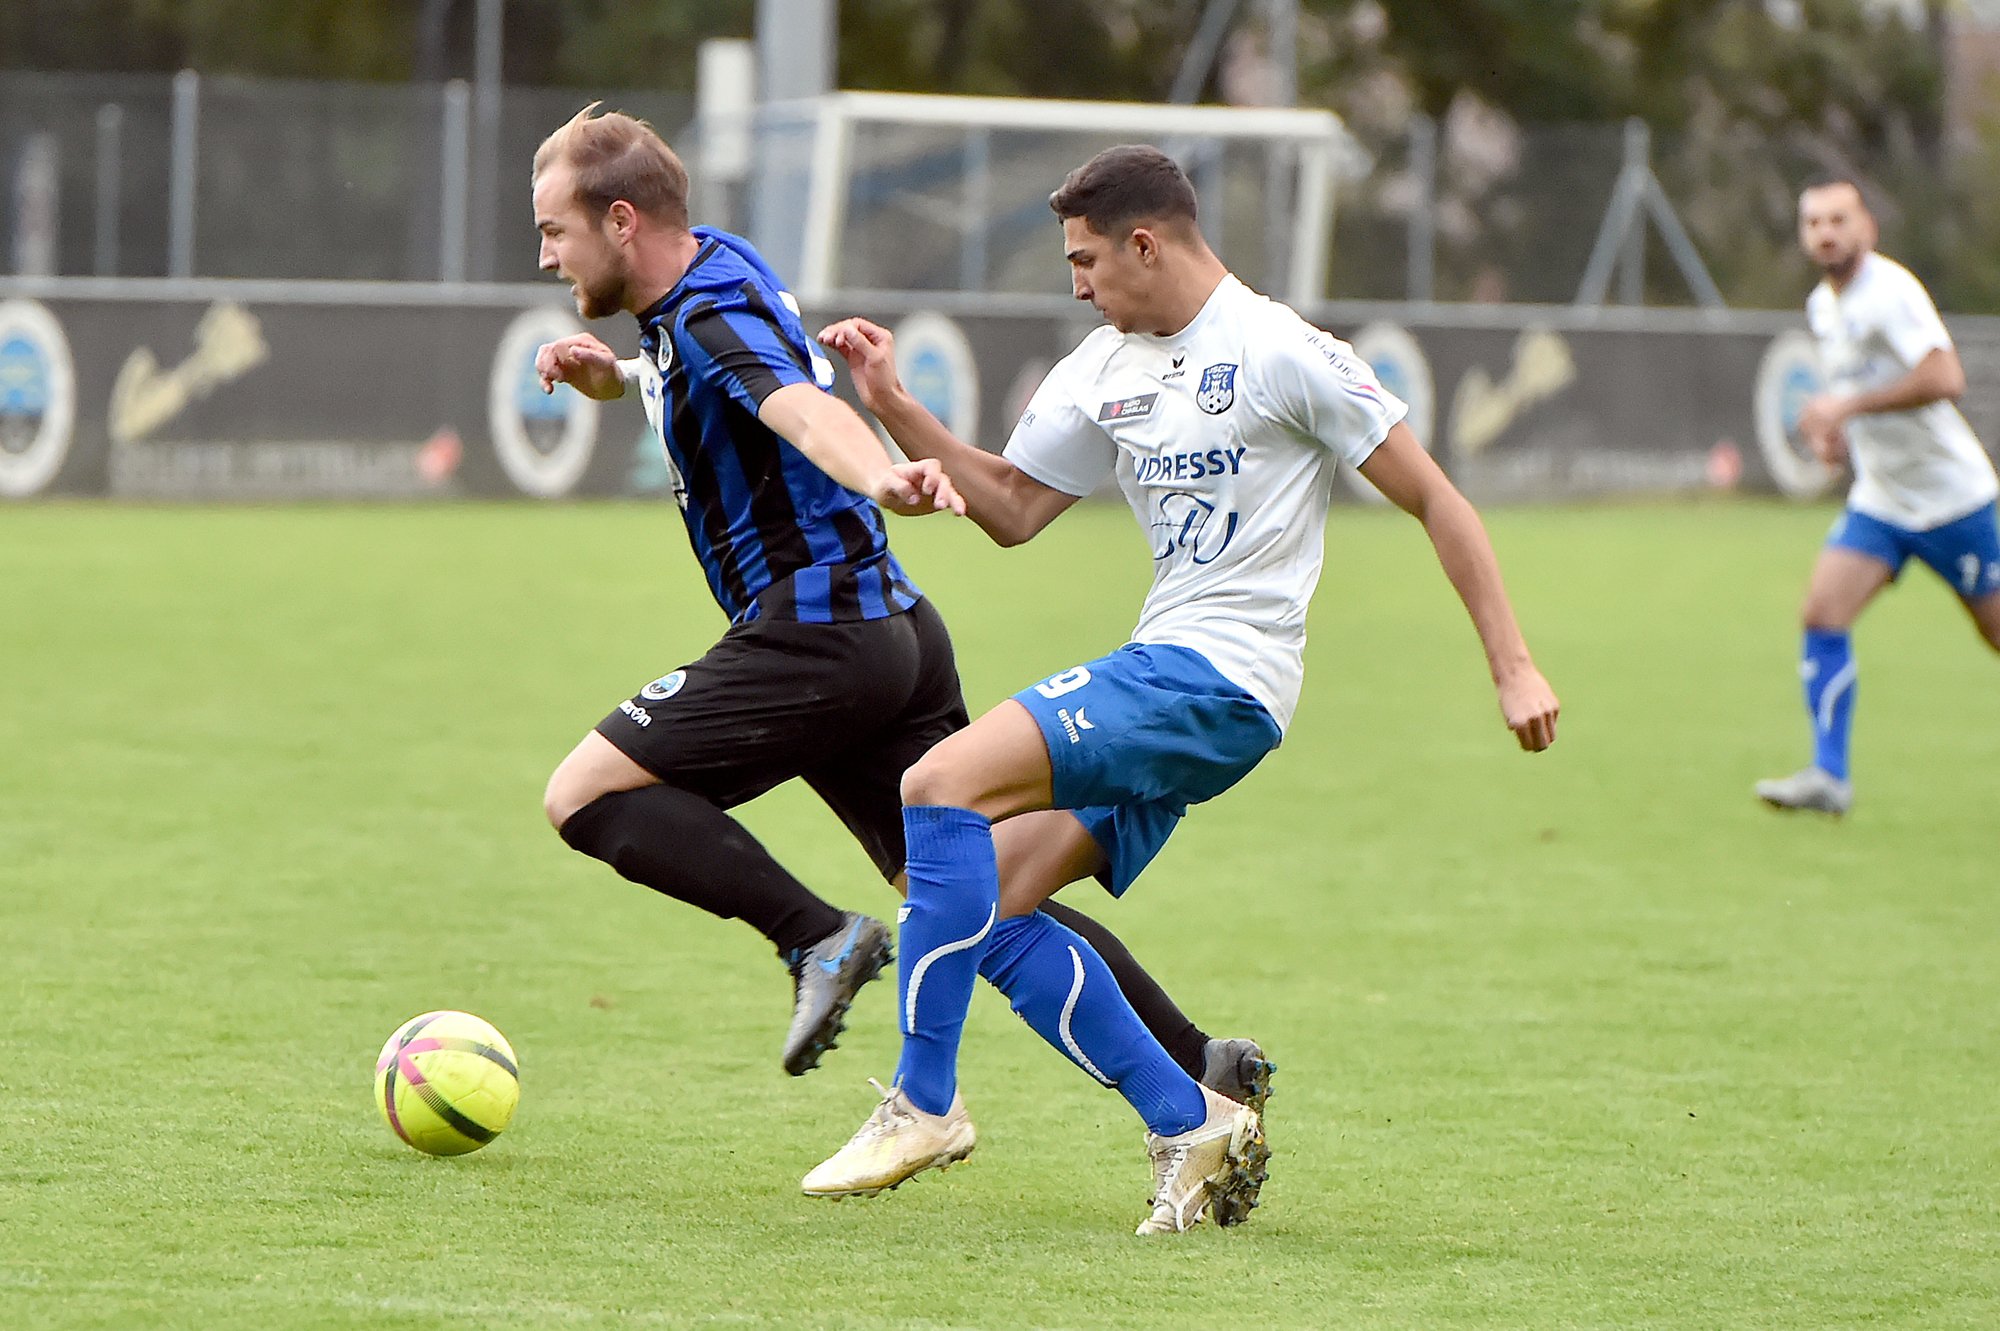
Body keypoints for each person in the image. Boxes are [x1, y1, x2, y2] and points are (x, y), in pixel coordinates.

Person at [803, 145, 1560, 1235]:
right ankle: (1189, 1119)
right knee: (988, 901)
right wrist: (896, 411)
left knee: (937, 783)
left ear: (1143, 244)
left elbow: (1438, 500)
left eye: (1084, 259)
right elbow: (1011, 506)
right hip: (1168, 673)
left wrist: (1512, 661)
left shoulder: (1282, 352)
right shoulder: (1102, 363)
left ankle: (923, 1101)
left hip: (1219, 681)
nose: (1075, 283)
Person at [527, 106, 1272, 1102]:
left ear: (621, 221)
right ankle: (1200, 1065)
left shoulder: (705, 314)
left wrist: (879, 475)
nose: (545, 257)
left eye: (553, 232)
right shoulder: (717, 269)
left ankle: (813, 938)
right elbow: (732, 369)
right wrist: (615, 377)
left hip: (816, 630)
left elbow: (799, 406)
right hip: (891, 631)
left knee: (583, 793)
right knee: (974, 897)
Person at [1755, 177, 2000, 817]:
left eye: (1839, 219)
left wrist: (1850, 405)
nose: (1826, 233)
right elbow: (1857, 396)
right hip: (1884, 503)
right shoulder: (1822, 306)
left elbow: (1945, 376)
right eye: (1814, 223)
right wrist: (1841, 436)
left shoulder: (1890, 292)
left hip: (1954, 503)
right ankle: (1829, 778)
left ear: (1867, 227)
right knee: (1822, 613)